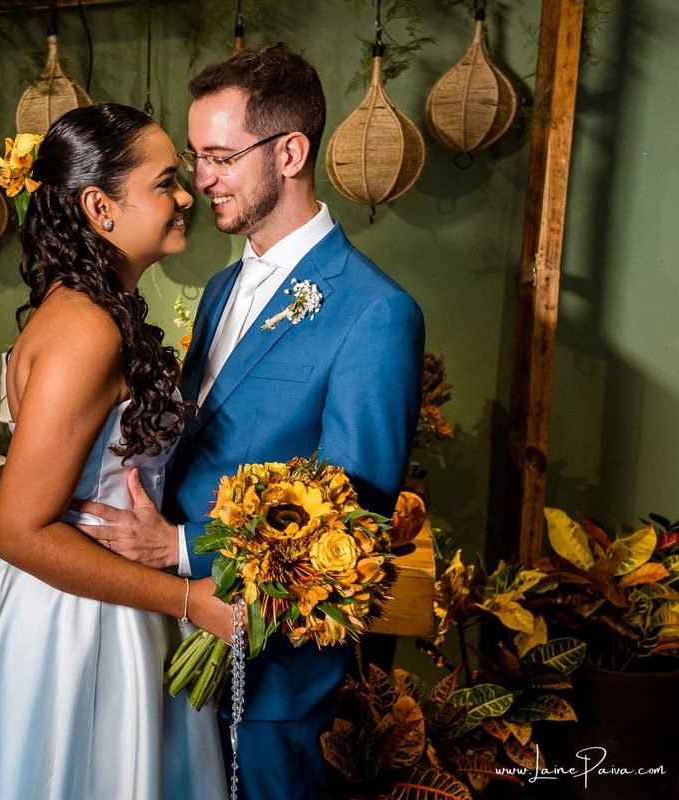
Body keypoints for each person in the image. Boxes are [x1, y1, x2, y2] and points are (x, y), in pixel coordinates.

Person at [74, 45, 425, 799]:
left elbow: (354, 515)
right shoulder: (222, 286)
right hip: (171, 627)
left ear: (290, 152)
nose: (199, 182)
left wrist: (178, 545)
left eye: (220, 157)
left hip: (270, 667)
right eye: (197, 157)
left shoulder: (378, 313)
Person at [0, 103, 230, 800]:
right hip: (76, 622)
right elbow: (20, 531)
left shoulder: (79, 308)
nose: (188, 196)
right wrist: (188, 598)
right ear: (100, 206)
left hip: (91, 590)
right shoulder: (85, 332)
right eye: (165, 183)